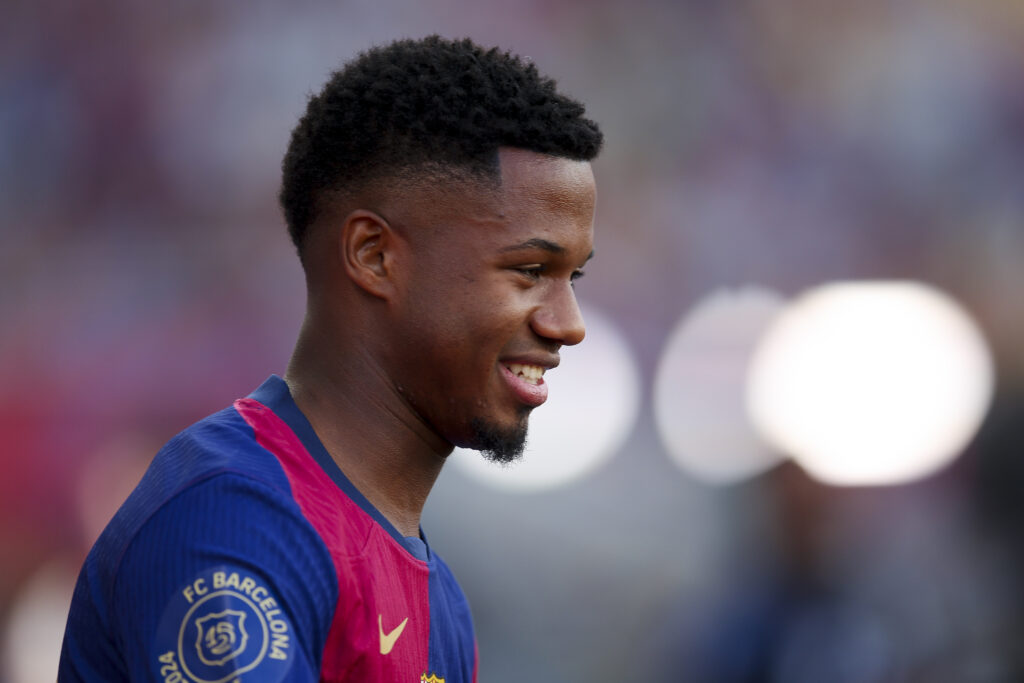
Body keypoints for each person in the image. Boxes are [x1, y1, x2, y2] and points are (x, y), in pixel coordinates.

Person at [58, 35, 602, 682]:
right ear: (374, 255)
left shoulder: (441, 602)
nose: (568, 326)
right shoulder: (233, 517)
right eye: (530, 270)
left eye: (575, 278)